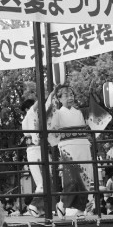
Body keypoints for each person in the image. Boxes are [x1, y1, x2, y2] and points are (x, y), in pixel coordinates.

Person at [48, 84, 93, 216]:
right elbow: (51, 128)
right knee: (73, 177)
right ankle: (62, 203)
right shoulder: (57, 113)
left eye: (72, 95)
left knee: (85, 177)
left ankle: (81, 207)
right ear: (59, 99)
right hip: (68, 146)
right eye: (66, 95)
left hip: (83, 145)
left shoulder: (79, 112)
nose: (70, 98)